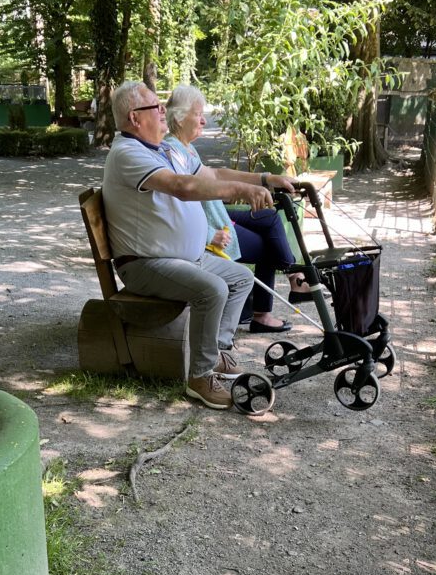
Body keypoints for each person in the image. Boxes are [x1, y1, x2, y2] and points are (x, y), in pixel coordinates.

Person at [102, 81, 288, 410]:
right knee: (213, 289)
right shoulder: (128, 153)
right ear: (134, 117)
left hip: (179, 258)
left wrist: (263, 179)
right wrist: (241, 193)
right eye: (155, 107)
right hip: (145, 263)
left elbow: (210, 174)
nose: (163, 112)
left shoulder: (158, 149)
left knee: (240, 278)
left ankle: (215, 353)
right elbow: (183, 187)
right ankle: (199, 378)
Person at [164, 85, 313, 334]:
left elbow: (216, 174)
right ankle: (285, 288)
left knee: (269, 217)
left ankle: (292, 278)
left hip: (216, 216)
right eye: (197, 114)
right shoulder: (173, 151)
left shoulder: (185, 148)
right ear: (179, 117)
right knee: (268, 246)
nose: (203, 120)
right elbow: (180, 201)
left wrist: (267, 178)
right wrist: (210, 234)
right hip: (210, 226)